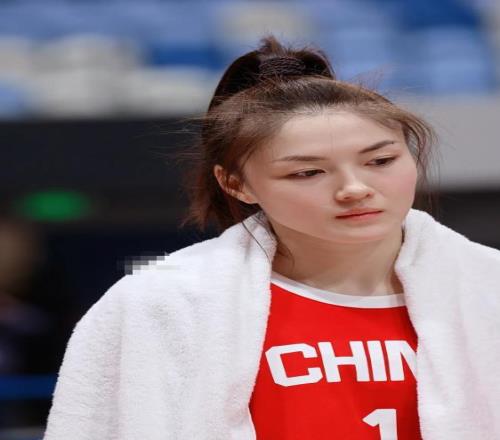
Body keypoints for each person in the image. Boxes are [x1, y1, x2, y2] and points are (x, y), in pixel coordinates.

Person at [43, 34, 500, 439]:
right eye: (307, 172)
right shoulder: (164, 302)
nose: (354, 188)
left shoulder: (488, 287)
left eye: (380, 161)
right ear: (235, 184)